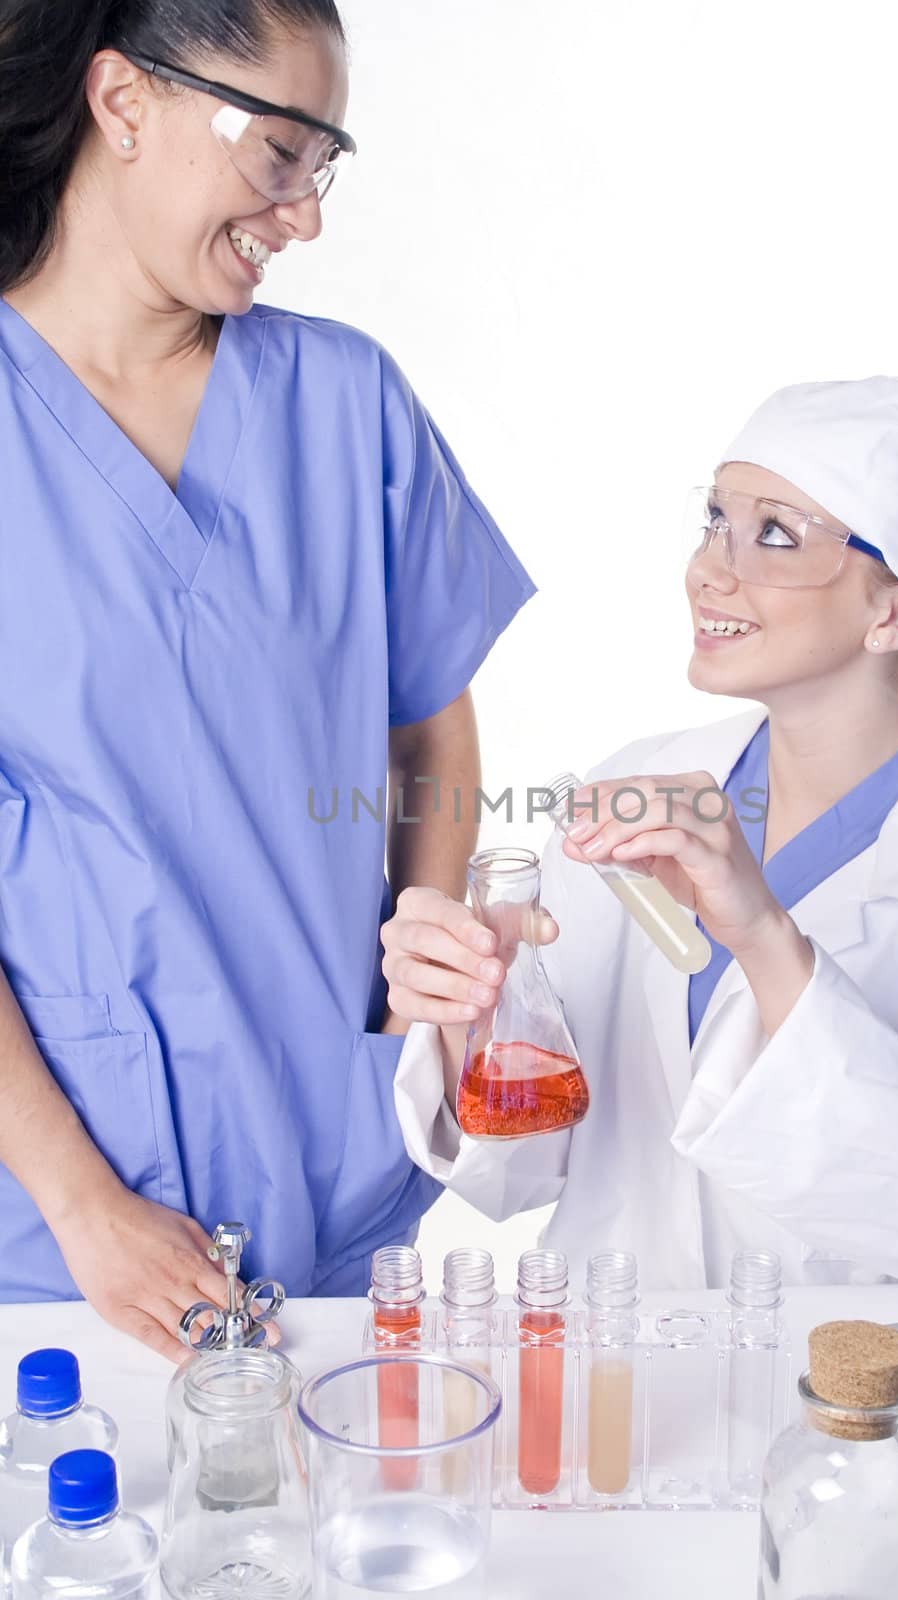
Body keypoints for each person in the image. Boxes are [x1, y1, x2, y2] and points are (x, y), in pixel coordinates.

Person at [0, 0, 534, 1354]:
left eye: (324, 164)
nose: (303, 216)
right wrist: (81, 1205)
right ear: (123, 103)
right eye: (280, 153)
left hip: (336, 1162)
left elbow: (430, 732)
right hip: (61, 1223)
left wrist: (420, 953)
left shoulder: (345, 405)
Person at [384, 376, 898, 1287]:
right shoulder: (635, 785)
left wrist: (762, 935)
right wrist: (479, 1004)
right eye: (715, 519)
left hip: (841, 1387)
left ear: (894, 611)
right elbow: (524, 1163)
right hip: (609, 1368)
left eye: (775, 534)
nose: (706, 568)